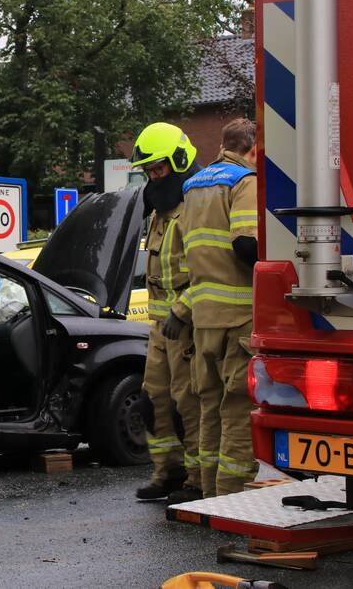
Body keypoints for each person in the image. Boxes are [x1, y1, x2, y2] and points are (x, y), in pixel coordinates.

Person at [165, 117, 259, 498]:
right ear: (251, 149)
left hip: (204, 319)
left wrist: (184, 308)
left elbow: (187, 257)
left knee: (209, 406)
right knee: (237, 407)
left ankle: (206, 491)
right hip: (240, 315)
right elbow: (246, 246)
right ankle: (232, 498)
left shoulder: (192, 186)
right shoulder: (244, 182)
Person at [129, 123, 203, 503]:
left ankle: (196, 479)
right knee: (152, 399)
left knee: (186, 403)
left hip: (186, 327)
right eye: (149, 170)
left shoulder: (194, 209)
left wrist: (181, 311)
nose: (154, 176)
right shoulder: (160, 211)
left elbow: (210, 271)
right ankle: (167, 472)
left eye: (159, 168)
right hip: (160, 328)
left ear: (178, 161)